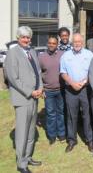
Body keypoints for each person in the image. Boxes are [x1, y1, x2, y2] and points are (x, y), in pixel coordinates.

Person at [4, 26, 43, 173]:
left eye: (28, 37)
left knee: (31, 130)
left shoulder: (32, 51)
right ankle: (21, 164)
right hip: (23, 98)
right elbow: (13, 78)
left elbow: (38, 72)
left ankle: (28, 157)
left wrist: (40, 88)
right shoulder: (12, 54)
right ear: (18, 38)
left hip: (34, 97)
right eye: (24, 37)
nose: (27, 40)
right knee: (22, 132)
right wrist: (30, 92)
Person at [60, 33, 93, 153]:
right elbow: (63, 73)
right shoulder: (65, 55)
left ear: (83, 42)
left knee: (87, 115)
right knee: (71, 116)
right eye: (75, 42)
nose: (77, 44)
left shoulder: (89, 54)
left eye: (79, 41)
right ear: (71, 42)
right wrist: (72, 83)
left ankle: (89, 140)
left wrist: (84, 82)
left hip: (85, 89)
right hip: (70, 90)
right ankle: (71, 140)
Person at [38, 36, 65, 145]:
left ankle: (62, 134)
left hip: (60, 90)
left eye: (54, 43)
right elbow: (38, 74)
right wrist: (41, 89)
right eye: (50, 43)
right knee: (50, 114)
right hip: (48, 90)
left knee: (61, 113)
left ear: (57, 44)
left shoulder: (62, 55)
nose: (51, 45)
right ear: (47, 43)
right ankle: (52, 135)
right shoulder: (41, 57)